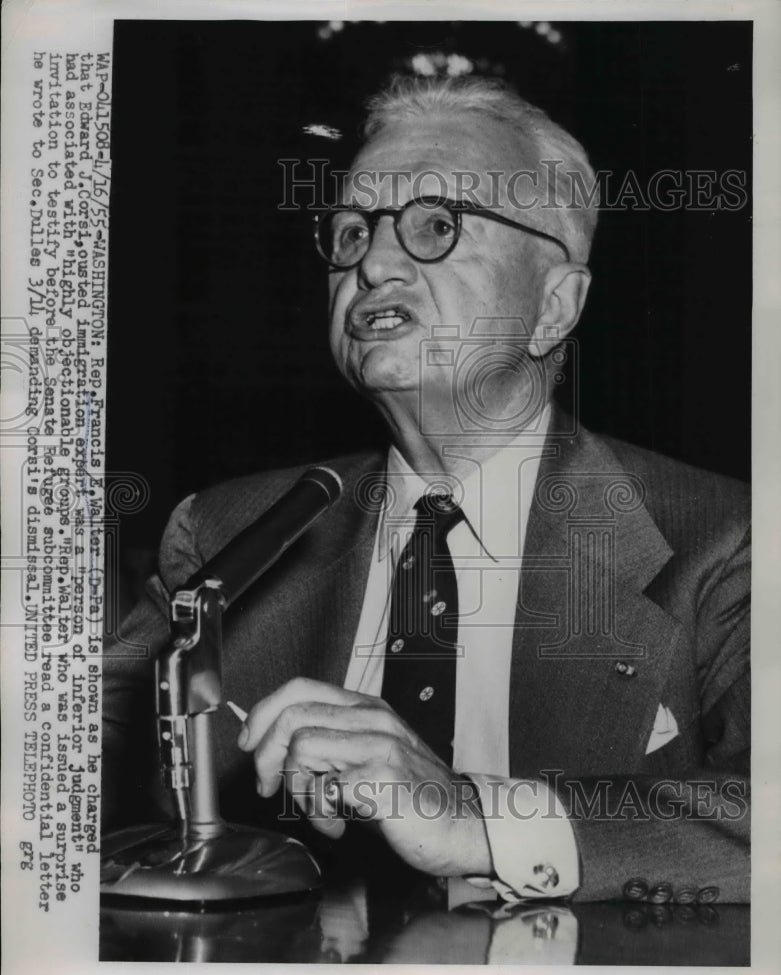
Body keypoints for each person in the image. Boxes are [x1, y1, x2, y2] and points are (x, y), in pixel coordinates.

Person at [102, 75, 750, 904]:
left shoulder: (725, 538)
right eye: (349, 230)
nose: (370, 262)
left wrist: (473, 818)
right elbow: (61, 766)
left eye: (436, 226)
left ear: (554, 305)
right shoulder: (228, 532)